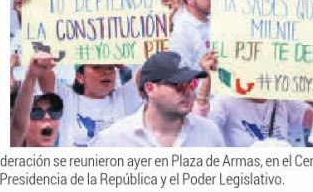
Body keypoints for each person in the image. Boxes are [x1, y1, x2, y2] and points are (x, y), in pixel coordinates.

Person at [88, 51, 224, 147]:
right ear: (150, 89)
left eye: (192, 83)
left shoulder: (209, 132)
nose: (188, 91)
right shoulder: (113, 141)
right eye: (179, 85)